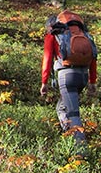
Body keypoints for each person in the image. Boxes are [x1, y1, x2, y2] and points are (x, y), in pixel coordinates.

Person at [40, 13, 97, 145]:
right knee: (62, 108)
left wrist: (44, 82)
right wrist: (92, 82)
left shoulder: (53, 35)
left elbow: (47, 59)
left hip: (67, 76)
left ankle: (80, 149)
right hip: (83, 76)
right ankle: (70, 136)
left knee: (73, 114)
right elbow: (93, 59)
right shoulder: (83, 34)